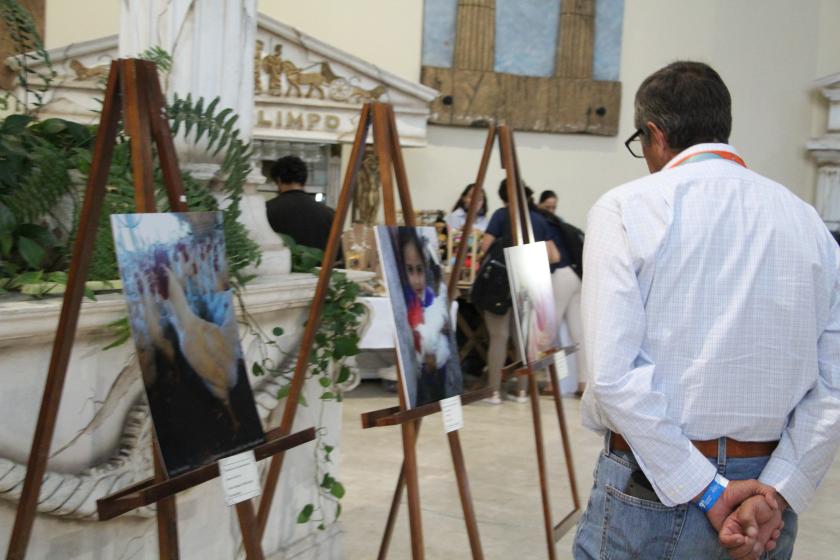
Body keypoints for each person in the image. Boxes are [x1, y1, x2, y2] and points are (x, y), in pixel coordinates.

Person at [573, 61, 840, 559]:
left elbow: (612, 376)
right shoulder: (807, 221)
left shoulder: (627, 208)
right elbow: (833, 383)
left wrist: (710, 490)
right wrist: (776, 490)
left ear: (654, 134)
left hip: (655, 486)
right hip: (766, 495)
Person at [479, 179, 560, 405]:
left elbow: (485, 246)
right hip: (531, 281)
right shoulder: (538, 220)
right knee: (525, 339)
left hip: (501, 283)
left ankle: (493, 392)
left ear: (503, 196)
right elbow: (554, 256)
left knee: (499, 337)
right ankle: (522, 392)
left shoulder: (501, 216)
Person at [396, 228, 452, 406]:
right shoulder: (404, 299)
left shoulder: (429, 296)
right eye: (409, 270)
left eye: (420, 270)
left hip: (434, 373)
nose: (416, 280)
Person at [535, 207, 587, 396]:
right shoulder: (558, 223)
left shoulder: (540, 225)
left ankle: (551, 383)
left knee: (549, 332)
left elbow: (553, 256)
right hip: (576, 277)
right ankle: (583, 383)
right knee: (578, 334)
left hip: (559, 276)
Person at [266, 155, 336, 252]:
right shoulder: (329, 214)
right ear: (304, 180)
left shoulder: (265, 211)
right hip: (318, 267)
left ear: (279, 180)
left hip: (277, 267)